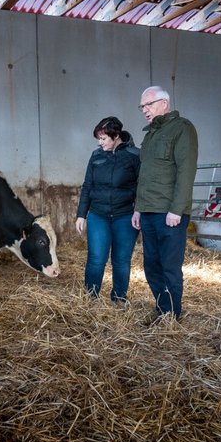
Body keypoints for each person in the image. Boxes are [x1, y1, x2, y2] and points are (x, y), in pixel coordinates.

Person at [130, 86, 198, 321]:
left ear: (164, 103)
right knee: (152, 265)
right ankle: (162, 308)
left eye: (149, 105)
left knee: (169, 266)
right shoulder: (150, 135)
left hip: (169, 213)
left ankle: (172, 315)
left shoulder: (182, 128)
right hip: (148, 211)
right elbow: (145, 176)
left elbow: (186, 171)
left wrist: (176, 209)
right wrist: (138, 208)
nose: (144, 110)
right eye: (142, 106)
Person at [75, 116, 141, 302]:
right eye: (98, 138)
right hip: (98, 215)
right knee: (96, 258)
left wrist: (140, 211)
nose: (99, 142)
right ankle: (90, 297)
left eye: (103, 138)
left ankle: (119, 298)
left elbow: (142, 186)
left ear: (116, 135)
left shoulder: (134, 156)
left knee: (121, 260)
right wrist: (81, 214)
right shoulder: (96, 156)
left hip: (124, 216)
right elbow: (88, 185)